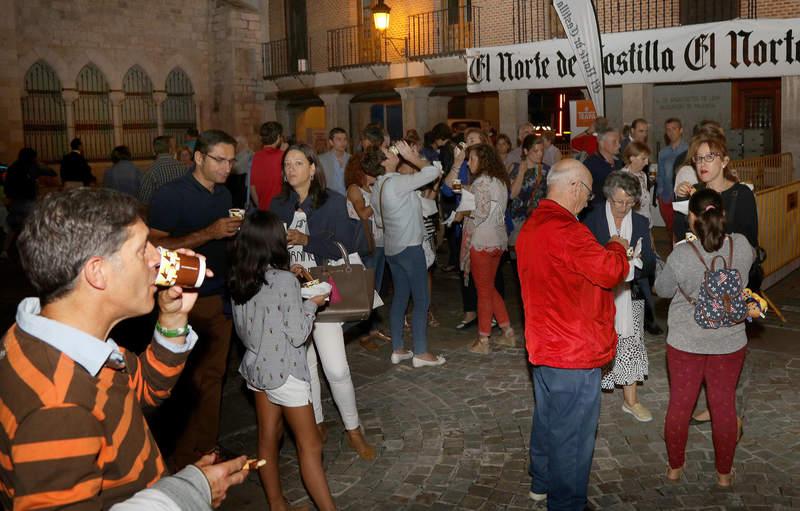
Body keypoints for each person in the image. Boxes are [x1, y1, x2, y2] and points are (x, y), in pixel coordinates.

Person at [0, 187, 247, 509]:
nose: (158, 257)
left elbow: (144, 389)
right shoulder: (57, 405)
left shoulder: (61, 339)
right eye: (142, 249)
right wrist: (189, 493)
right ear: (98, 272)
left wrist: (172, 320)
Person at [516, 159, 629, 509]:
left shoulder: (532, 225)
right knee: (574, 437)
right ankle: (566, 503)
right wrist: (616, 245)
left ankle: (541, 481)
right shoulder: (569, 231)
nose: (588, 201)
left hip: (544, 345)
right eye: (589, 193)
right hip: (574, 351)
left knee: (548, 419)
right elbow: (611, 271)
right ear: (575, 187)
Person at [270, 144, 376, 460]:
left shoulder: (333, 202)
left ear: (313, 168)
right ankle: (316, 424)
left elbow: (344, 245)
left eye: (298, 163)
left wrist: (307, 240)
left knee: (337, 368)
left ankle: (353, 429)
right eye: (286, 164)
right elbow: (270, 248)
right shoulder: (278, 205)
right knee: (306, 367)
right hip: (290, 294)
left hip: (326, 293)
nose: (290, 169)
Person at [148, 129, 244, 470]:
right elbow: (156, 249)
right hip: (186, 299)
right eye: (220, 159)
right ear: (199, 157)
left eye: (231, 161)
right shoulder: (170, 195)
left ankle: (206, 447)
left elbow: (224, 241)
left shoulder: (224, 194)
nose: (227, 167)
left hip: (221, 295)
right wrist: (209, 233)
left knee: (214, 376)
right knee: (187, 382)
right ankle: (184, 458)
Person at [229, 211, 336, 511]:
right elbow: (299, 334)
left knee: (267, 438)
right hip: (286, 373)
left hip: (255, 370)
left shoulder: (240, 276)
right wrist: (311, 304)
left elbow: (251, 325)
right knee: (311, 445)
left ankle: (277, 504)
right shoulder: (284, 281)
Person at [654, 188, 754, 488]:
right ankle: (724, 474)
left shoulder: (683, 254)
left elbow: (663, 290)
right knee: (724, 406)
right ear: (722, 215)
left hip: (686, 342)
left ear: (692, 219)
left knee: (680, 405)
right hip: (730, 341)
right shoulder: (742, 246)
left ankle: (674, 468)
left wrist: (671, 258)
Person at [583, 171, 656, 422]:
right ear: (608, 197)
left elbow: (649, 267)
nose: (623, 207)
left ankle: (631, 401)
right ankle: (588, 399)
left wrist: (632, 263)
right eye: (618, 202)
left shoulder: (639, 223)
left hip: (629, 293)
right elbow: (584, 259)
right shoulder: (591, 219)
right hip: (597, 294)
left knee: (631, 345)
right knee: (594, 346)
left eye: (629, 202)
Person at [367, 141, 446, 368]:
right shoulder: (397, 182)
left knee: (400, 297)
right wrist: (412, 156)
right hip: (410, 247)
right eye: (387, 153)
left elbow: (380, 220)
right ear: (384, 162)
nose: (393, 154)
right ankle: (420, 352)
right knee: (421, 299)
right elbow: (432, 172)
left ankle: (398, 349)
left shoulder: (377, 187)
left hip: (393, 248)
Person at [460, 143, 514, 354]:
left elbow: (480, 213)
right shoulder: (500, 181)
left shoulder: (481, 182)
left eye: (471, 159)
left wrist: (463, 214)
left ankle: (483, 340)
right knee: (489, 287)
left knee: (483, 291)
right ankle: (507, 331)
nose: (468, 162)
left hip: (482, 241)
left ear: (482, 160)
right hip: (498, 241)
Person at [344, 151, 391, 351]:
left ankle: (370, 330)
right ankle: (363, 334)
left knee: (376, 290)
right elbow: (363, 214)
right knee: (367, 292)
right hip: (366, 245)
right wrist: (377, 198)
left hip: (380, 242)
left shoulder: (369, 187)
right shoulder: (354, 189)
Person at [1, 148, 55, 259]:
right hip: (28, 203)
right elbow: (51, 172)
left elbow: (7, 187)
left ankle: (4, 251)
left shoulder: (12, 167)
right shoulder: (32, 167)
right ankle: (34, 252)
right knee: (33, 227)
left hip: (15, 203)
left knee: (13, 227)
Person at [508, 135, 549, 245]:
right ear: (526, 151)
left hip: (537, 221)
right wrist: (521, 173)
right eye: (536, 151)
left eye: (542, 150)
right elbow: (511, 195)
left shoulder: (546, 170)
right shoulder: (515, 168)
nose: (540, 154)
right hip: (516, 221)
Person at [657, 118, 688, 235]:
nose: (671, 132)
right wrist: (660, 194)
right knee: (670, 230)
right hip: (666, 196)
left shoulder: (688, 150)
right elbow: (660, 174)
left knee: (682, 230)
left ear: (681, 130)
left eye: (674, 129)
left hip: (683, 196)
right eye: (668, 129)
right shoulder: (663, 152)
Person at [139, 135, 189, 206]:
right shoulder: (183, 167)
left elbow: (144, 200)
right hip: (183, 211)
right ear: (170, 149)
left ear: (154, 151)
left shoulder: (151, 171)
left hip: (161, 213)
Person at [583, 126, 623, 210]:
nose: (619, 145)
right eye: (614, 142)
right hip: (597, 211)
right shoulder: (590, 164)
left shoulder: (620, 162)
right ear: (601, 143)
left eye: (619, 141)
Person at [250, 121, 285, 210]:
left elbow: (252, 186)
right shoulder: (283, 156)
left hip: (263, 209)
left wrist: (260, 205)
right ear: (278, 137)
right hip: (280, 209)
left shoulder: (255, 156)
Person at [620, 141, 653, 227]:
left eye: (647, 159)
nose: (647, 162)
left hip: (645, 221)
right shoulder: (623, 177)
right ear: (632, 158)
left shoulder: (643, 175)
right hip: (632, 223)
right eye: (643, 159)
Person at [319, 127, 351, 196]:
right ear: (331, 142)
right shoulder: (322, 160)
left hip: (349, 199)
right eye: (339, 139)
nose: (343, 142)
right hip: (329, 199)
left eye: (345, 139)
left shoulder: (351, 159)